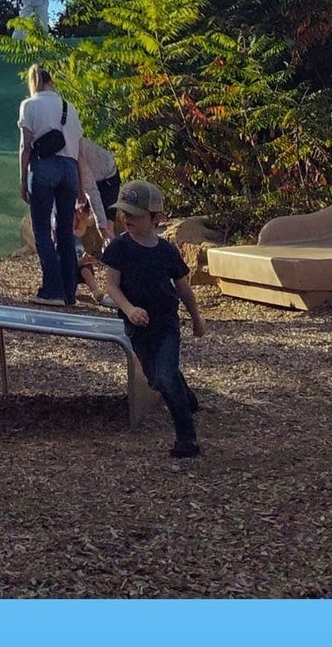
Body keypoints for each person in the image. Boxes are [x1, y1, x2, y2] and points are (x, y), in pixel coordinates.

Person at [101, 179, 206, 458]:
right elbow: (111, 286)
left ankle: (187, 440)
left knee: (165, 375)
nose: (126, 218)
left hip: (166, 323)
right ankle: (186, 396)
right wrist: (129, 309)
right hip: (137, 327)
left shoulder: (166, 251)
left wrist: (196, 319)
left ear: (155, 218)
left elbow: (183, 288)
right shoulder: (119, 248)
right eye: (123, 212)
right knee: (157, 380)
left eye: (135, 214)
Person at [15, 63, 96, 305]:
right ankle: (69, 291)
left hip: (44, 167)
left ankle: (52, 289)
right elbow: (80, 153)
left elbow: (25, 146)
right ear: (52, 82)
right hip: (69, 169)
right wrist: (82, 188)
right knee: (65, 231)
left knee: (42, 229)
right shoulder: (69, 107)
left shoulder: (29, 105)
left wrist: (22, 178)